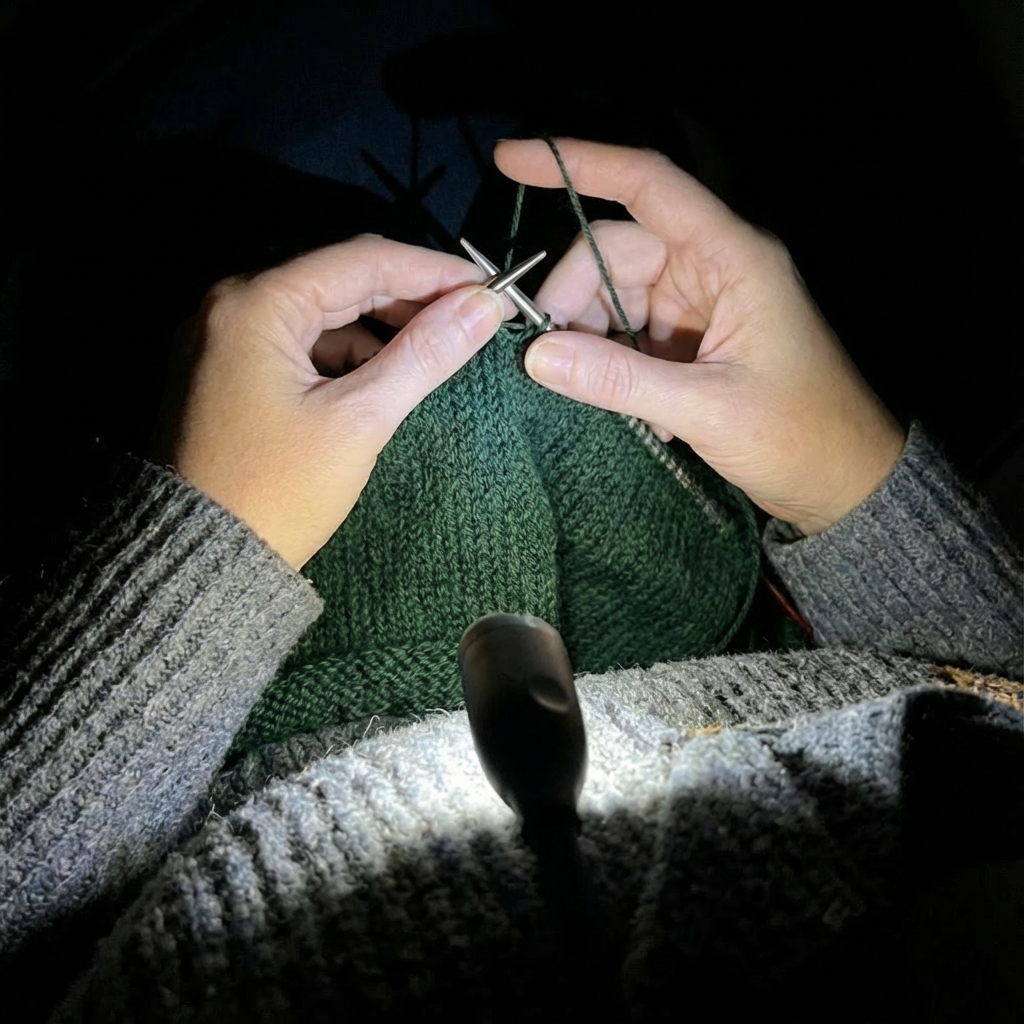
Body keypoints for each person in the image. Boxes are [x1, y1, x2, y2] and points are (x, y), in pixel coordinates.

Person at [0, 139, 1020, 1022]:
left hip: (178, 745)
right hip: (723, 625)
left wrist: (183, 576)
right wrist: (862, 489)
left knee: (155, 241)